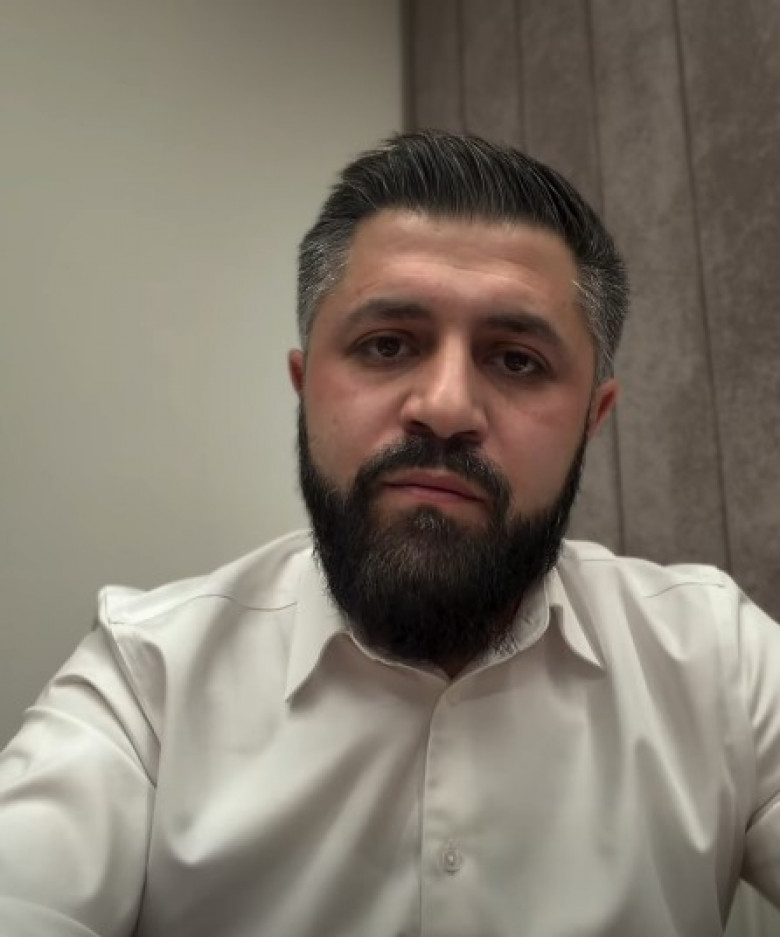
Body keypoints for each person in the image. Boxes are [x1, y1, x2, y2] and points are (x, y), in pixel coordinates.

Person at [1, 130, 779, 937]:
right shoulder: (147, 682)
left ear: (594, 415)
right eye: (387, 345)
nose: (445, 407)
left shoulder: (719, 660)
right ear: (305, 385)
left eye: (517, 360)